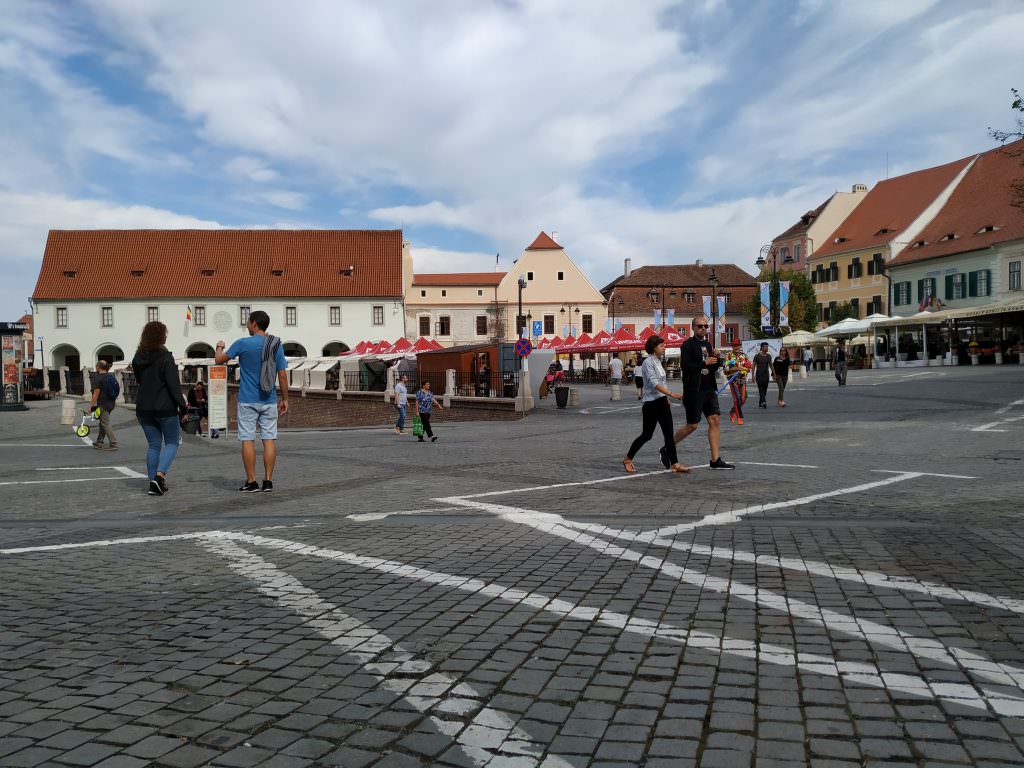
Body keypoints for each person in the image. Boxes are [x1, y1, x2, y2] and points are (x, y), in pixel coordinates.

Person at [215, 310, 289, 492]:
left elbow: (219, 360)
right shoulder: (276, 344)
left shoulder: (243, 343)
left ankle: (251, 482)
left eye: (248, 322)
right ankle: (268, 481)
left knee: (247, 439)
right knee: (269, 439)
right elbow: (282, 374)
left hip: (248, 399)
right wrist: (285, 398)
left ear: (254, 323)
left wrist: (219, 346)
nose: (247, 326)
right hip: (269, 398)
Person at [664, 315, 734, 470]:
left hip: (709, 388)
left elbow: (712, 368)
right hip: (693, 390)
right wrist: (704, 362)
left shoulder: (708, 345)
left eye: (705, 326)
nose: (703, 329)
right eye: (700, 326)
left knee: (714, 420)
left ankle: (715, 459)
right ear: (693, 328)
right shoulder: (687, 345)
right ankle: (667, 447)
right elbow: (686, 367)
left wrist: (716, 358)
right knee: (692, 425)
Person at [131, 321, 188, 496]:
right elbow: (173, 385)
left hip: (144, 408)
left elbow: (140, 381)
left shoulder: (137, 358)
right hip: (165, 408)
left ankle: (153, 483)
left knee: (154, 445)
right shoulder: (166, 357)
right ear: (162, 336)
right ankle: (159, 476)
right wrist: (183, 407)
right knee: (172, 442)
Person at [623, 336, 688, 474]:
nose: (664, 347)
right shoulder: (648, 362)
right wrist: (671, 394)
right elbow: (654, 383)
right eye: (662, 345)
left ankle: (675, 463)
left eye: (664, 345)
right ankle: (628, 459)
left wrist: (666, 398)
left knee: (668, 434)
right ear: (654, 347)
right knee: (647, 435)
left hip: (662, 402)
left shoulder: (659, 361)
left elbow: (662, 382)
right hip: (651, 404)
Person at [89, 359, 119, 451]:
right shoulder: (111, 376)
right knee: (102, 422)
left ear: (98, 367)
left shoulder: (98, 378)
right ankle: (99, 442)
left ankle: (113, 443)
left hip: (103, 404)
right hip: (111, 403)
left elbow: (96, 394)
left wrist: (90, 405)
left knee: (105, 423)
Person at [752, 342, 773, 409]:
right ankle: (763, 402)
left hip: (766, 375)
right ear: (761, 348)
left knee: (765, 389)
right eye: (765, 347)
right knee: (761, 389)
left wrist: (774, 373)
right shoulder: (757, 356)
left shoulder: (769, 356)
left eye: (767, 347)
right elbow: (753, 366)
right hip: (759, 375)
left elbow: (771, 365)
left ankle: (761, 402)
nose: (767, 348)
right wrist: (753, 376)